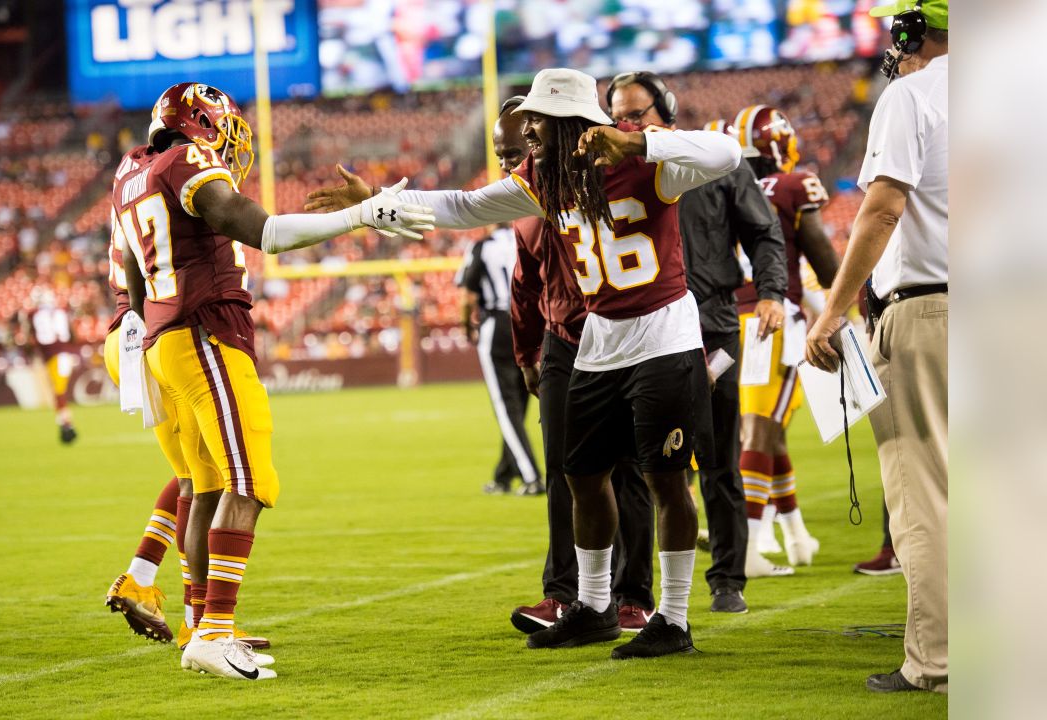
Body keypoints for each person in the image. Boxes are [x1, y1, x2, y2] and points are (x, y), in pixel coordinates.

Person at [308, 68, 740, 659]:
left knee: (665, 480)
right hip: (599, 343)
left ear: (570, 122)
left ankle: (675, 617)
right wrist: (375, 205)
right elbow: (461, 205)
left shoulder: (647, 163)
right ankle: (592, 607)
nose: (528, 129)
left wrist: (639, 138)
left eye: (538, 119)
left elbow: (728, 151)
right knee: (579, 475)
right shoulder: (542, 178)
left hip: (663, 334)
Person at [116, 81, 434, 680]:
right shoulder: (186, 160)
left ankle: (206, 624)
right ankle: (211, 635)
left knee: (206, 487)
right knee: (250, 479)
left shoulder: (135, 171)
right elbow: (264, 231)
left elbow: (134, 270)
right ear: (204, 124)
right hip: (202, 332)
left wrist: (155, 331)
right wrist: (362, 214)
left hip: (171, 336)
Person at [607, 73, 790, 615]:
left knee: (717, 457)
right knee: (636, 466)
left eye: (636, 113)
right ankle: (632, 592)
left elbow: (763, 230)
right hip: (643, 331)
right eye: (617, 113)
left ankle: (727, 578)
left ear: (667, 110)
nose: (625, 123)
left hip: (711, 326)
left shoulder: (712, 161)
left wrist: (774, 292)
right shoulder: (612, 168)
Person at [805, 0, 948, 694]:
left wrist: (831, 313)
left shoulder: (913, 94)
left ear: (913, 30)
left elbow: (885, 206)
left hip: (934, 312)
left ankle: (939, 659)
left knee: (926, 494)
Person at [493, 95, 653, 635]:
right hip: (562, 340)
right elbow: (525, 284)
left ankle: (634, 596)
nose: (510, 164)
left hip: (619, 331)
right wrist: (527, 354)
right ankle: (566, 595)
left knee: (631, 469)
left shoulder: (603, 178)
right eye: (501, 154)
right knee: (566, 469)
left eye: (517, 149)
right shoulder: (522, 201)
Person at [101, 221, 268, 650]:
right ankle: (200, 624)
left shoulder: (135, 179)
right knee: (208, 482)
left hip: (129, 333)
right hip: (160, 331)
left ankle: (140, 578)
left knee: (195, 472)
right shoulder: (177, 179)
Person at [734, 104, 841, 574]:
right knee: (761, 429)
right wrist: (848, 303)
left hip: (730, 319)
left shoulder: (726, 182)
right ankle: (749, 547)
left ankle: (797, 535)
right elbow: (821, 256)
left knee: (768, 432)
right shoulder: (794, 185)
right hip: (773, 317)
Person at [456, 208, 545, 495]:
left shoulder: (482, 247)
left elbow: (468, 296)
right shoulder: (525, 235)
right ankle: (504, 474)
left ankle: (532, 477)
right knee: (521, 400)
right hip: (530, 320)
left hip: (497, 323)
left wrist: (466, 326)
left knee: (507, 409)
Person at [30, 292, 78, 444]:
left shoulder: (33, 315)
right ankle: (65, 424)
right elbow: (72, 335)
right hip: (63, 354)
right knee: (57, 392)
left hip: (54, 355)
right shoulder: (61, 312)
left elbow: (32, 338)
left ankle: (66, 425)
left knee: (59, 391)